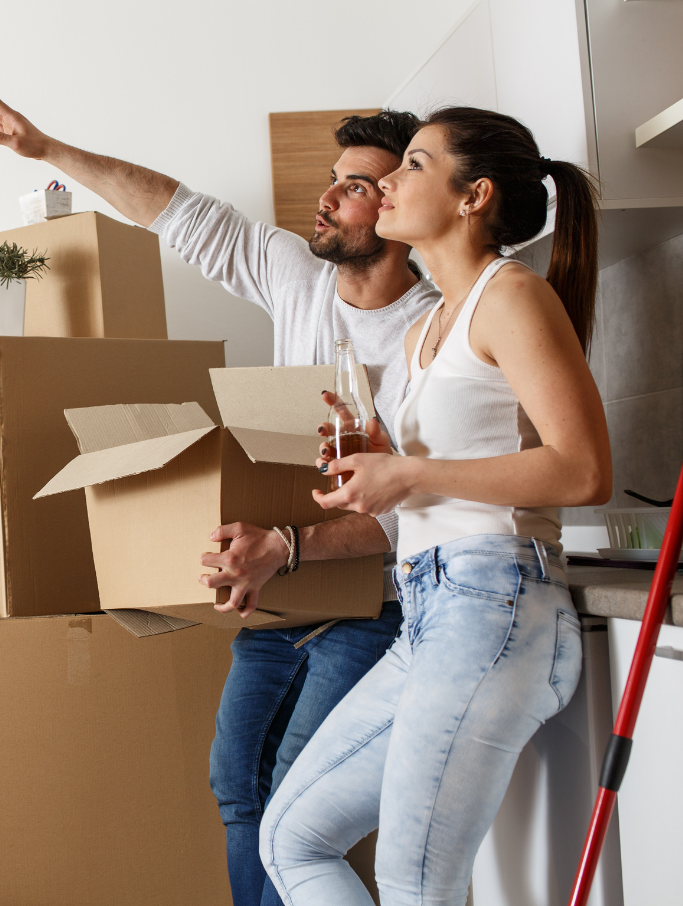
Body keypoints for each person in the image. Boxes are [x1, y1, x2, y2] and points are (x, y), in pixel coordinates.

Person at [0, 88, 440, 906]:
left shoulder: (429, 335)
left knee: (298, 801)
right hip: (277, 598)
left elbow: (419, 513)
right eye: (331, 177)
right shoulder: (297, 277)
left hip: (372, 607)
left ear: (400, 209)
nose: (325, 197)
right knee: (237, 788)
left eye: (356, 185)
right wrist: (49, 150)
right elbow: (171, 209)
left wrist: (287, 544)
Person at [258, 107, 612, 906]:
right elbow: (451, 462)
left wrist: (413, 476)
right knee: (292, 837)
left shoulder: (511, 296)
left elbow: (584, 470)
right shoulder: (431, 328)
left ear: (473, 195)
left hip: (494, 603)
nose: (386, 181)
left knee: (414, 885)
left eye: (412, 165)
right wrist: (383, 455)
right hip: (433, 611)